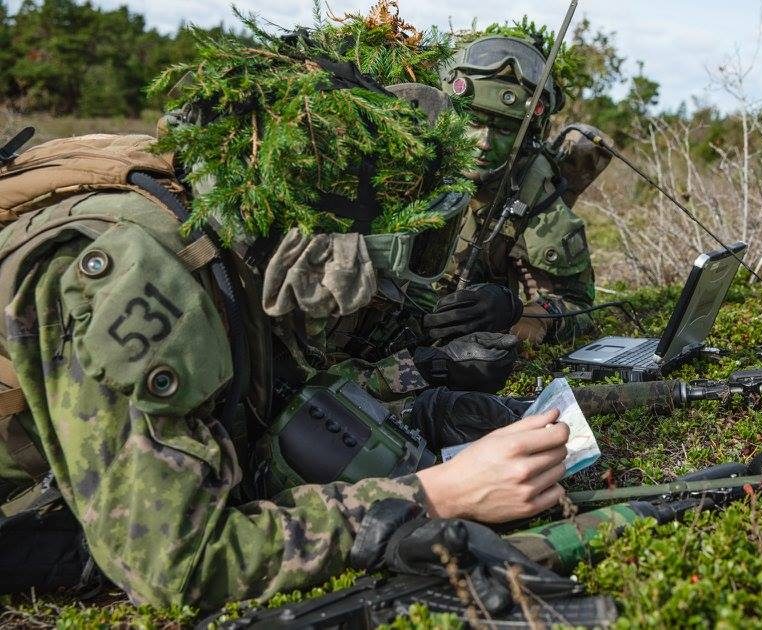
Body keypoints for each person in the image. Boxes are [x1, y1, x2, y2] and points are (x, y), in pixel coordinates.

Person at [0, 86, 569, 610]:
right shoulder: (138, 287)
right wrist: (439, 493)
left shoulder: (230, 234)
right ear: (326, 245)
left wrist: (422, 400)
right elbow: (180, 566)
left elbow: (264, 397)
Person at [424, 34, 609, 346]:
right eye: (473, 122)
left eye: (504, 129)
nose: (484, 141)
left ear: (527, 136)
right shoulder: (408, 157)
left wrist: (522, 315)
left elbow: (578, 305)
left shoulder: (531, 191)